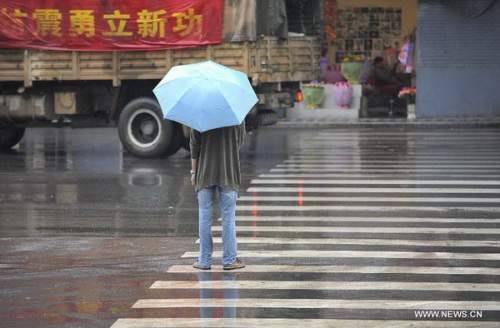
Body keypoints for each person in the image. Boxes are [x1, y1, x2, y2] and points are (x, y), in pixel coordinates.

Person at [190, 122, 246, 270]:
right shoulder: (235, 114)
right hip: (228, 172)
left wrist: (193, 172)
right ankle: (229, 260)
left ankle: (204, 260)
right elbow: (239, 141)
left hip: (204, 173)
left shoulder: (200, 112)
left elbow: (195, 145)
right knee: (228, 218)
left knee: (204, 217)